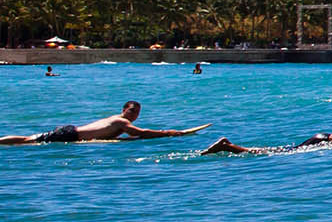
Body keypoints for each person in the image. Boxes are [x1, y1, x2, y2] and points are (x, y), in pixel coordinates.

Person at [201, 87, 332, 155]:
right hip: (325, 142)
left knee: (280, 151)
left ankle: (229, 146)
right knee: (276, 154)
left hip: (325, 139)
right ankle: (228, 146)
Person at [1, 100, 211, 146]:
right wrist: (171, 133)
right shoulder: (120, 121)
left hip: (71, 133)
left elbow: (135, 135)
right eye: (131, 111)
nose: (133, 114)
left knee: (29, 141)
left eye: (136, 112)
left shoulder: (118, 121)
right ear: (123, 110)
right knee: (28, 141)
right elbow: (141, 133)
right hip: (70, 134)